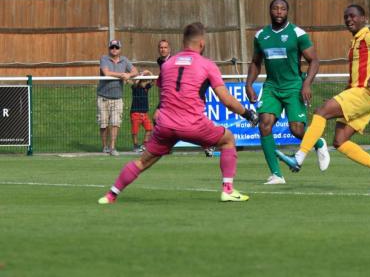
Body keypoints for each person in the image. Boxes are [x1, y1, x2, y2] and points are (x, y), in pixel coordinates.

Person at [98, 22, 258, 204]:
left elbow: (163, 92)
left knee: (142, 161)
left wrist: (160, 111)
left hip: (165, 126)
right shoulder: (207, 65)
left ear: (183, 42)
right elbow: (227, 100)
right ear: (202, 43)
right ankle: (228, 190)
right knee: (228, 139)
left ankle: (111, 195)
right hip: (192, 125)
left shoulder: (168, 64)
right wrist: (248, 114)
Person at [276, 4, 370, 190]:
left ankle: (298, 158)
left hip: (362, 93)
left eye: (353, 16)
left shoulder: (368, 36)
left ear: (364, 18)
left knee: (321, 112)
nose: (349, 20)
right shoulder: (355, 41)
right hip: (364, 96)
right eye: (346, 17)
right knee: (340, 141)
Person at [245, 0, 330, 185]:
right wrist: (249, 84)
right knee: (264, 124)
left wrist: (306, 84)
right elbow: (255, 62)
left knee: (296, 130)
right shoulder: (261, 36)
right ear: (270, 11)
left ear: (287, 12)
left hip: (294, 86)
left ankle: (318, 143)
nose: (279, 12)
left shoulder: (297, 33)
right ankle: (276, 174)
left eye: (282, 9)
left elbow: (314, 61)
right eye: (275, 8)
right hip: (272, 87)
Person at [97, 39, 138, 156]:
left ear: (120, 49)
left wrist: (129, 74)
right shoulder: (104, 58)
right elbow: (106, 73)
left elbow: (135, 71)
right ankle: (104, 146)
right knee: (103, 123)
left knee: (116, 122)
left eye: (116, 47)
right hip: (103, 96)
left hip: (117, 97)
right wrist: (122, 75)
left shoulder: (125, 60)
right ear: (109, 48)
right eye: (112, 47)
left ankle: (112, 147)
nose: (114, 49)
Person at [129, 70, 153, 153]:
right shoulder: (135, 88)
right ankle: (135, 146)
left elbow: (153, 79)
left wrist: (149, 73)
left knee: (149, 129)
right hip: (135, 113)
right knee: (135, 131)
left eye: (146, 81)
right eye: (143, 81)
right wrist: (141, 74)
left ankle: (144, 145)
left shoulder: (146, 87)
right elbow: (135, 82)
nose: (145, 82)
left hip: (145, 114)